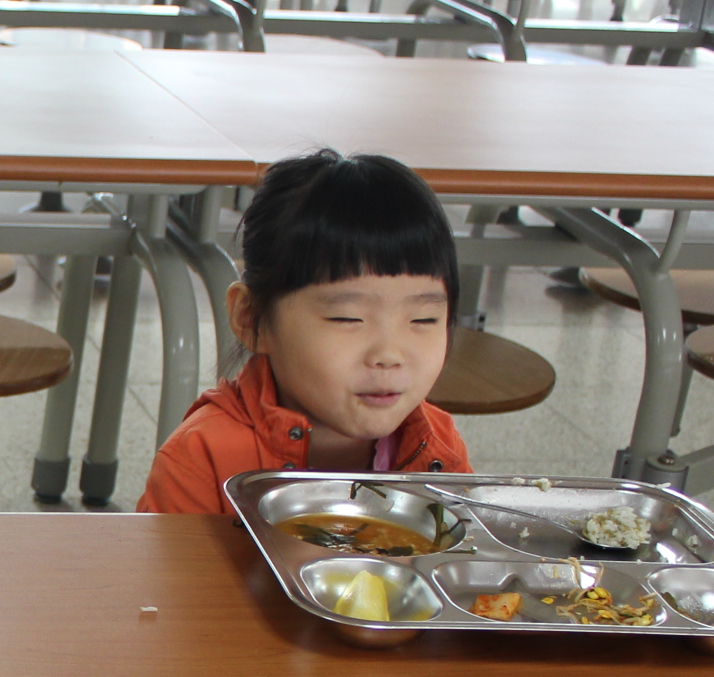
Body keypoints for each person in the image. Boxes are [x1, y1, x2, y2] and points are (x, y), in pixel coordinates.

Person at [137, 149, 472, 515]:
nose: (389, 355)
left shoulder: (437, 445)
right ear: (252, 319)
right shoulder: (203, 459)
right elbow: (167, 574)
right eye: (348, 318)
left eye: (423, 319)